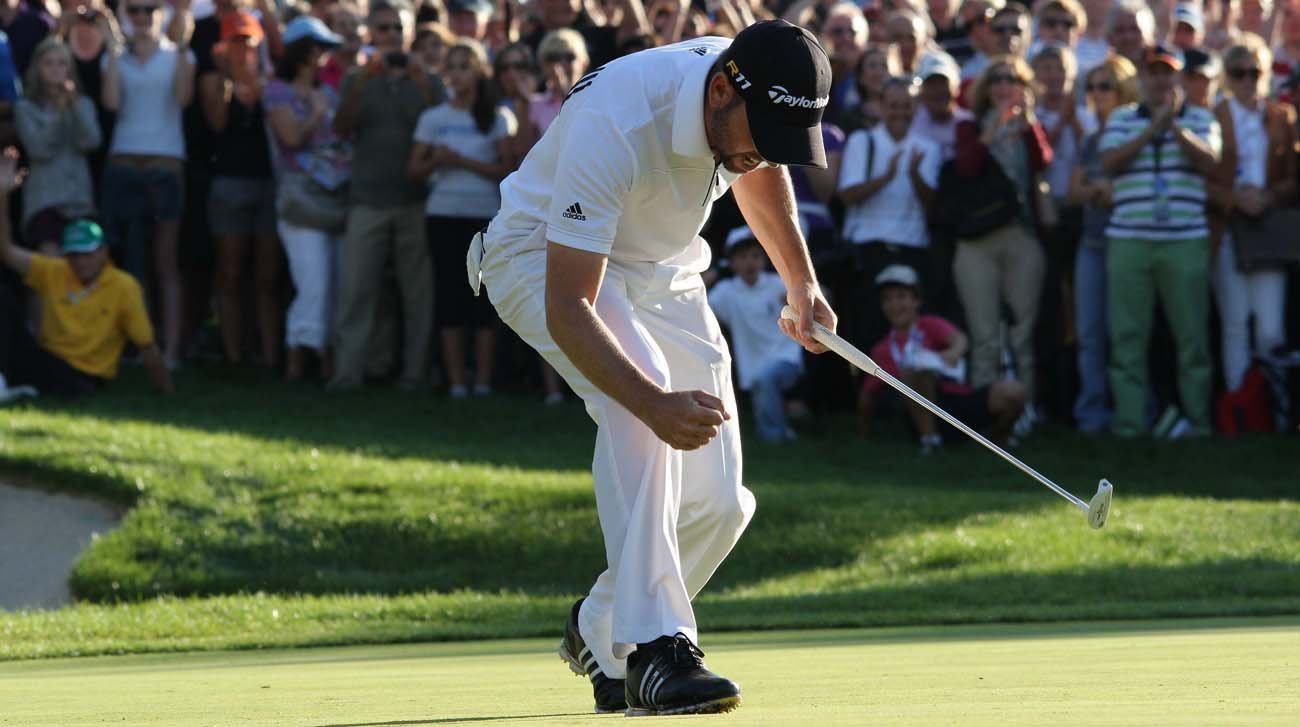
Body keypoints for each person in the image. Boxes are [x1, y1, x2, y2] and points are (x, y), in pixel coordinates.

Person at [476, 21, 836, 715]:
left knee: (721, 502)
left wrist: (801, 280)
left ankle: (600, 628)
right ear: (723, 90)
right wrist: (650, 400)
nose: (761, 154)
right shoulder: (617, 117)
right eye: (758, 133)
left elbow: (759, 172)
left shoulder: (743, 110)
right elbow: (569, 305)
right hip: (539, 255)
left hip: (662, 265)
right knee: (641, 407)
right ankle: (653, 650)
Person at [1100, 44, 1221, 437]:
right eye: (1153, 72)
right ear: (1142, 78)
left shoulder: (1201, 118)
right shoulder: (1121, 118)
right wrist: (1153, 128)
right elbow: (1109, 162)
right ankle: (1130, 425)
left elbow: (1209, 161)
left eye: (1167, 72)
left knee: (1192, 338)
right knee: (1127, 336)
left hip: (1185, 241)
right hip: (1130, 240)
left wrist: (1174, 128)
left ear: (1179, 78)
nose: (1160, 80)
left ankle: (1198, 423)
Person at [330, 0, 440, 390]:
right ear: (372, 34)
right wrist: (362, 82)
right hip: (367, 199)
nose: (392, 35)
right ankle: (348, 373)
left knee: (417, 296)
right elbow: (342, 128)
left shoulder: (430, 79)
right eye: (384, 28)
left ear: (410, 33)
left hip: (416, 201)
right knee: (357, 291)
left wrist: (423, 81)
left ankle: (414, 375)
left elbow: (447, 124)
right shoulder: (357, 77)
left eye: (398, 27)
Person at [0, 151, 172, 398]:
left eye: (88, 253)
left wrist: (166, 390)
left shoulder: (124, 286)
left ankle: (20, 387)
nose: (81, 261)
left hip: (85, 374)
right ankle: (7, 382)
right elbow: (5, 250)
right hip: (47, 360)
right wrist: (2, 196)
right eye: (75, 254)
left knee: (64, 380)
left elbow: (147, 345)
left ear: (104, 251)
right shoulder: (55, 269)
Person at [409, 39, 514, 397]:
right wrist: (437, 161)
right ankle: (456, 382)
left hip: (483, 216)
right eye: (451, 67)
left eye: (464, 66)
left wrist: (462, 162)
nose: (456, 74)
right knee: (449, 296)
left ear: (480, 72)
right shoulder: (433, 118)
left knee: (483, 297)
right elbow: (414, 170)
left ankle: (482, 382)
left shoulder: (497, 117)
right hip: (442, 215)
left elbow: (508, 170)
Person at [951, 56, 1051, 411]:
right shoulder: (969, 125)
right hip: (978, 240)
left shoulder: (1027, 128)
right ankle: (985, 412)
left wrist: (1028, 124)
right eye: (997, 79)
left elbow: (1043, 162)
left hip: (1021, 235)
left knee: (1022, 332)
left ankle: (1024, 412)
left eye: (1012, 79)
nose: (1004, 86)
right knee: (985, 335)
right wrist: (993, 129)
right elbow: (966, 166)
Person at [100, 0, 195, 370]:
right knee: (124, 261)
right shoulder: (117, 58)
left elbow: (184, 99)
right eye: (134, 10)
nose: (142, 18)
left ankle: (169, 351)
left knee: (166, 262)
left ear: (163, 13)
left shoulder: (178, 55)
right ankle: (129, 348)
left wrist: (184, 46)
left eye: (149, 9)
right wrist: (114, 51)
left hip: (165, 163)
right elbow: (111, 102)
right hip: (122, 161)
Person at [1209, 37, 1298, 412]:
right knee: (1234, 321)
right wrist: (1235, 199)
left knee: (1270, 329)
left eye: (1255, 72)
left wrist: (1267, 197)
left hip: (1266, 228)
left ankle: (1270, 403)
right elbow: (1203, 177)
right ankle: (1239, 406)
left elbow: (1294, 179)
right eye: (1238, 72)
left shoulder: (1282, 117)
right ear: (1227, 77)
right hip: (1227, 227)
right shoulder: (1213, 115)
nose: (1247, 80)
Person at [858, 264, 1025, 451]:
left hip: (958, 399)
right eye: (887, 299)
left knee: (1013, 391)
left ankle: (998, 439)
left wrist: (953, 352)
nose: (895, 305)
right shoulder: (883, 349)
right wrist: (865, 433)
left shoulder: (929, 325)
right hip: (919, 412)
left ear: (916, 301)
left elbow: (959, 339)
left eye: (902, 297)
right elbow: (868, 395)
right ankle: (930, 440)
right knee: (913, 372)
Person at [265, 17, 348, 382]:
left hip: (334, 195)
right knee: (311, 282)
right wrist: (315, 114)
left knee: (332, 282)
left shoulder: (330, 93)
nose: (323, 56)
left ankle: (324, 357)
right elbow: (292, 139)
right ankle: (298, 359)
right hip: (301, 199)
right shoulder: (277, 92)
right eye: (317, 49)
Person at [201, 11, 281, 369]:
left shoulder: (273, 82)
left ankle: (269, 355)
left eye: (248, 40)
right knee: (230, 272)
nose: (243, 47)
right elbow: (217, 122)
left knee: (266, 275)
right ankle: (233, 355)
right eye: (236, 40)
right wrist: (228, 78)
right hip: (230, 183)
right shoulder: (213, 81)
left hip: (269, 184)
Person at [1066, 54, 1139, 433]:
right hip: (1092, 245)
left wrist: (1102, 191)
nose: (1096, 94)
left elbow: (1122, 193)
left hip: (1129, 244)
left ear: (1123, 89)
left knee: (1126, 334)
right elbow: (1073, 193)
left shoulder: (1133, 135)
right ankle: (1092, 415)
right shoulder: (1092, 140)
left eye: (1104, 86)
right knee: (1090, 333)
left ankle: (1131, 414)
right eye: (1091, 87)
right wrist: (1100, 190)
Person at [839, 75, 941, 346]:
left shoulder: (928, 148)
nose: (899, 112)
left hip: (912, 249)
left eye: (906, 105)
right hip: (871, 250)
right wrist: (886, 177)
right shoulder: (863, 141)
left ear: (915, 108)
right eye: (894, 105)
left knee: (914, 337)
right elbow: (847, 195)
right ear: (882, 107)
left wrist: (914, 175)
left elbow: (933, 204)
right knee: (870, 333)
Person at [707, 227, 805, 442]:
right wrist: (715, 274)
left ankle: (773, 437)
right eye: (741, 257)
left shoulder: (778, 285)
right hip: (752, 364)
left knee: (765, 381)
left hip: (786, 357)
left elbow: (810, 298)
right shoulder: (726, 291)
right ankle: (781, 434)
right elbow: (698, 301)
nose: (749, 262)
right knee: (763, 386)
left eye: (755, 256)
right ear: (731, 263)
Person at [15, 37, 100, 253]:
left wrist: (74, 109)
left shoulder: (84, 104)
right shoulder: (25, 108)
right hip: (45, 202)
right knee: (51, 271)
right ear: (38, 68)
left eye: (62, 63)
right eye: (49, 63)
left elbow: (91, 142)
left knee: (81, 270)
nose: (55, 69)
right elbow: (38, 150)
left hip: (80, 201)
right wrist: (59, 115)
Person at [910, 49, 972, 160]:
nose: (937, 91)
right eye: (931, 84)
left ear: (956, 88)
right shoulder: (910, 124)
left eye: (943, 83)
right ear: (921, 90)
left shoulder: (969, 123)